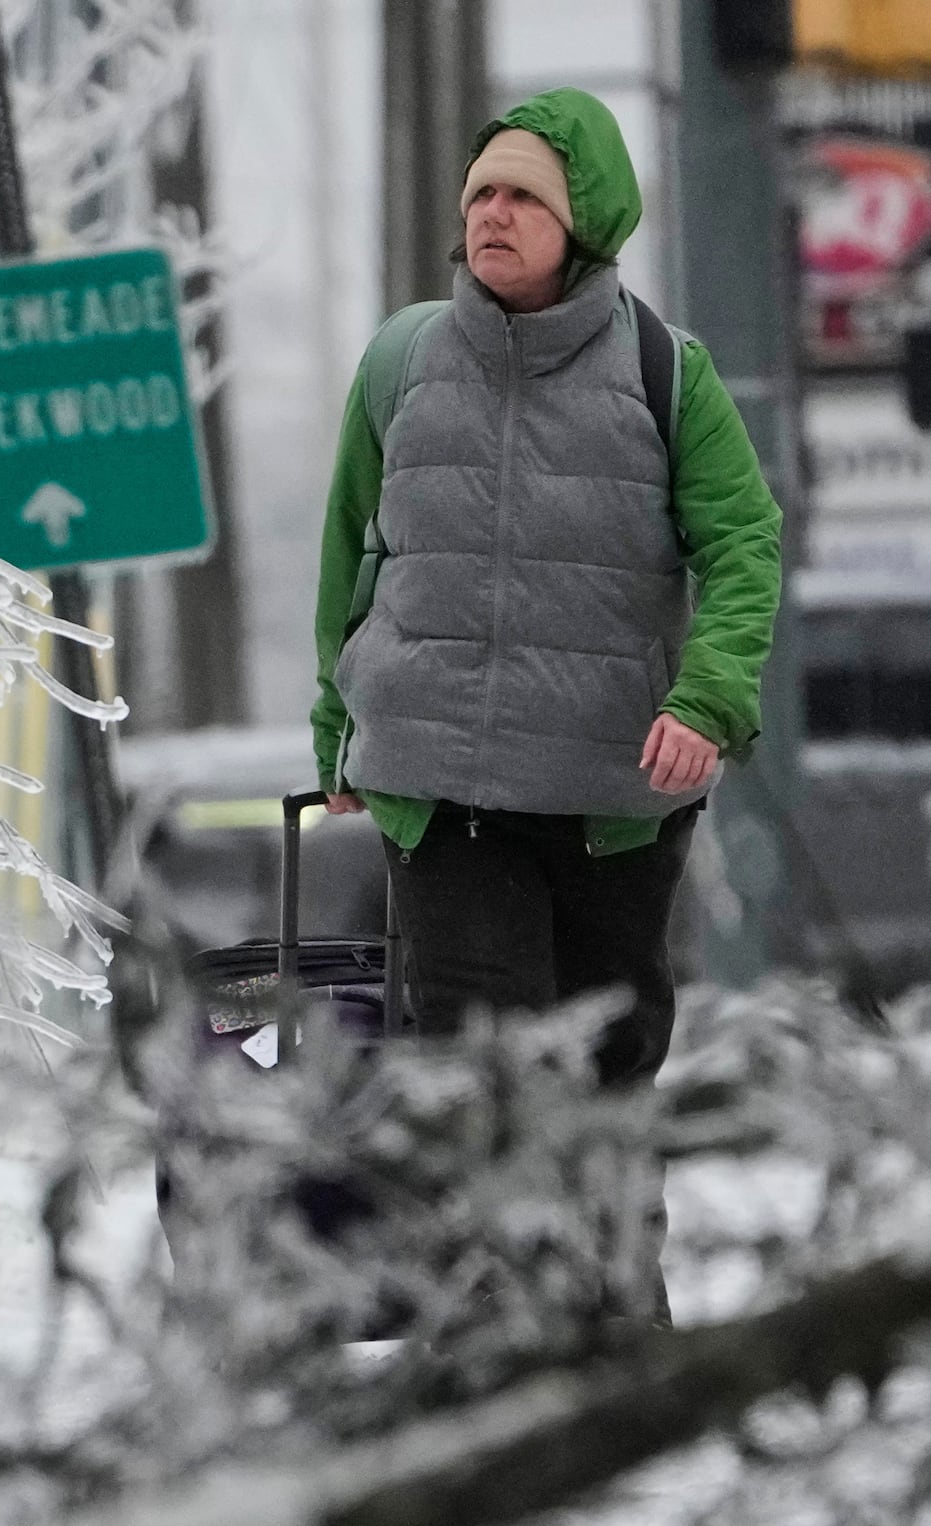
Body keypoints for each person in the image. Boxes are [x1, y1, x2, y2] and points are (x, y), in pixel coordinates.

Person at [310, 89, 784, 1092]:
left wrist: (706, 699)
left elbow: (744, 545)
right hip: (440, 788)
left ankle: (609, 1253)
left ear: (585, 222)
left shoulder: (667, 374)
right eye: (481, 194)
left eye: (523, 197)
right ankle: (497, 1252)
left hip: (614, 797)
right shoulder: (401, 361)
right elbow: (353, 552)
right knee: (483, 1074)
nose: (491, 214)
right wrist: (337, 725)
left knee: (606, 1077)